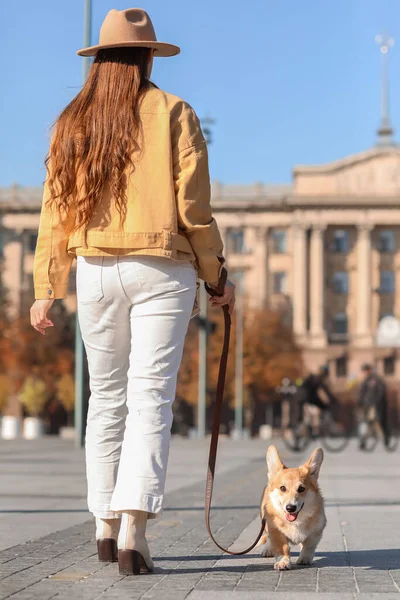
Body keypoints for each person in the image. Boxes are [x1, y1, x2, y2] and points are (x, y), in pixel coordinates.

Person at [30, 8, 235, 576]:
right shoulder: (174, 112)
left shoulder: (72, 121)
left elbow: (55, 210)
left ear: (99, 62)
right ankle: (134, 533)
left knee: (106, 400)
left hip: (93, 268)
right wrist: (216, 277)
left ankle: (102, 523)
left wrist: (47, 285)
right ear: (147, 57)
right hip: (160, 268)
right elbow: (194, 209)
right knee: (149, 401)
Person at [358, 363, 389, 448]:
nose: (364, 372)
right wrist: (360, 403)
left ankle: (385, 439)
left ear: (369, 370)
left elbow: (381, 391)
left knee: (379, 422)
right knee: (365, 422)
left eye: (365, 370)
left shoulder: (376, 379)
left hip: (375, 405)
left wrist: (376, 402)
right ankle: (363, 441)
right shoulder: (365, 381)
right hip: (366, 405)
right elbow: (362, 393)